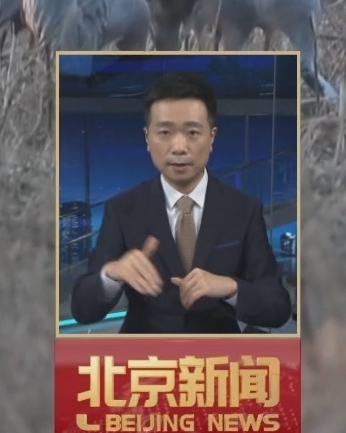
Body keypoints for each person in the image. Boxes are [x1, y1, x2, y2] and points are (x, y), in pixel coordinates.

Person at [68, 70, 295, 334]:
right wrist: (112, 274)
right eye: (165, 132)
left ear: (211, 137)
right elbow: (82, 309)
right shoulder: (123, 209)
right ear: (147, 139)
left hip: (218, 365)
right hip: (147, 365)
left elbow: (278, 307)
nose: (178, 147)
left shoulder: (244, 209)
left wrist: (231, 287)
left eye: (192, 132)